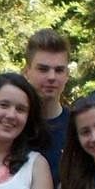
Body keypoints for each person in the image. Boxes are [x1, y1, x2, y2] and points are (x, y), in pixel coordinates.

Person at [23, 28, 73, 176]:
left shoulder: (77, 128)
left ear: (67, 75)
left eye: (59, 70)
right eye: (43, 69)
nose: (52, 77)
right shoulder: (12, 124)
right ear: (26, 72)